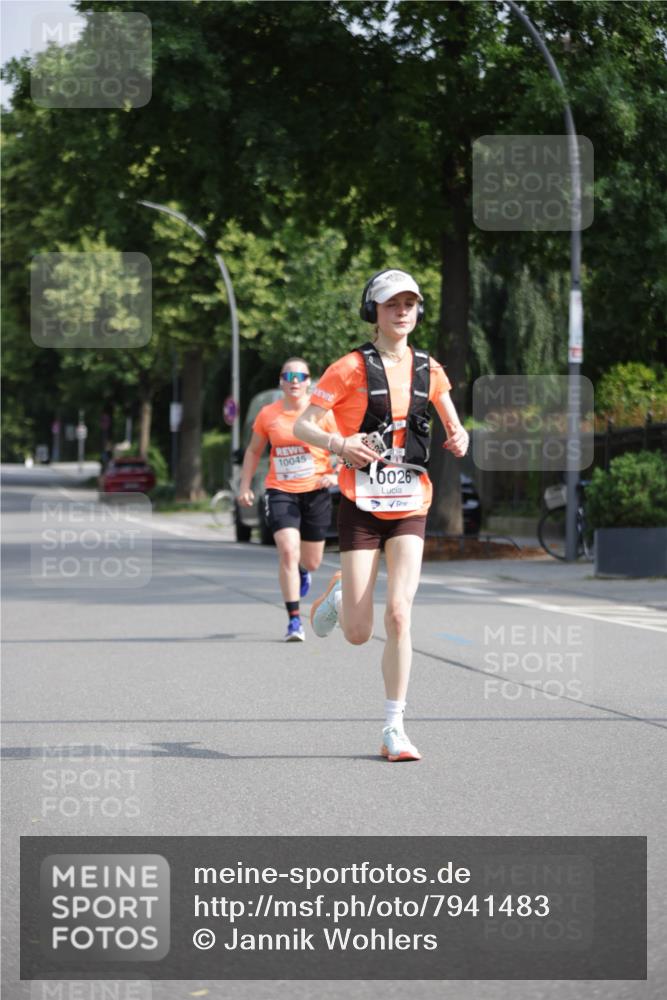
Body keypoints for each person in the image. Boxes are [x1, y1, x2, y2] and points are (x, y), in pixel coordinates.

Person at [294, 268, 469, 761]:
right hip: (361, 505)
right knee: (357, 633)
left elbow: (455, 424)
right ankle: (344, 590)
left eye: (410, 304)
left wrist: (460, 437)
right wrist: (339, 442)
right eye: (393, 304)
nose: (403, 312)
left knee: (399, 613)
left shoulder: (430, 369)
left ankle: (395, 727)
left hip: (411, 502)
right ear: (374, 310)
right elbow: (305, 425)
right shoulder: (348, 368)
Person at [237, 357, 339, 642]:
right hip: (280, 490)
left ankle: (304, 570)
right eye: (288, 375)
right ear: (281, 381)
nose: (294, 380)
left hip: (316, 490)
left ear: (309, 382)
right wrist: (245, 485)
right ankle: (294, 621)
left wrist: (336, 474)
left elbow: (343, 447)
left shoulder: (322, 414)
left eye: (300, 376)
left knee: (312, 560)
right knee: (287, 550)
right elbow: (254, 451)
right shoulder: (268, 414)